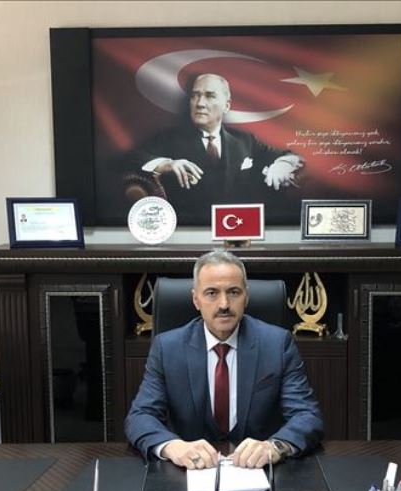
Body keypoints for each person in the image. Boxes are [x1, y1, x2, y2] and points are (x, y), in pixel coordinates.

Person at [124, 250, 323, 470]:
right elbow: (140, 416)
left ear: (246, 297)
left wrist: (275, 446)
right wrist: (173, 447)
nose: (224, 304)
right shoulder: (167, 348)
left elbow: (306, 415)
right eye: (211, 293)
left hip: (259, 471)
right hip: (188, 472)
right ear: (196, 299)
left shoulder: (277, 344)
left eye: (233, 292)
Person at [130, 74, 303, 224]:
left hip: (236, 226)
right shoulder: (170, 139)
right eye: (195, 96)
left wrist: (283, 165)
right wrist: (166, 164)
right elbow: (132, 159)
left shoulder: (244, 140)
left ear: (227, 105)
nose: (200, 103)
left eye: (210, 96)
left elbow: (290, 156)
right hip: (188, 229)